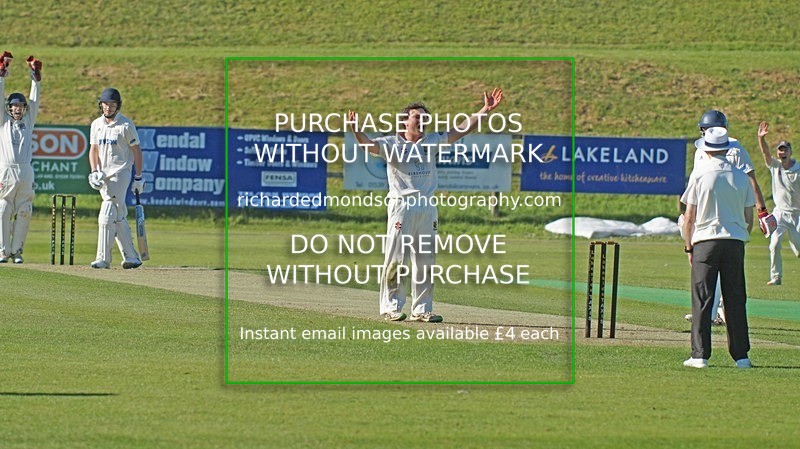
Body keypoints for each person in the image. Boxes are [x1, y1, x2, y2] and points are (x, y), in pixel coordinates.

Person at [348, 88, 503, 322]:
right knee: (396, 258)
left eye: (425, 118)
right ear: (404, 121)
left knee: (425, 261)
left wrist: (485, 110)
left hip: (427, 207)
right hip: (402, 206)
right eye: (417, 117)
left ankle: (421, 309)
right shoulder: (391, 143)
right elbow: (368, 145)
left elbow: (461, 130)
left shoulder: (431, 141)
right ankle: (392, 306)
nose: (422, 121)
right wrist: (355, 129)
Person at [681, 126, 754, 369]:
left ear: (707, 150)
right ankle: (741, 357)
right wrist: (740, 237)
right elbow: (748, 217)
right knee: (735, 299)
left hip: (706, 241)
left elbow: (689, 216)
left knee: (703, 298)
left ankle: (700, 356)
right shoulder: (741, 176)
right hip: (734, 242)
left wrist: (688, 247)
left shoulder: (700, 175)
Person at [87, 87, 145, 269]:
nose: (109, 108)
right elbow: (93, 150)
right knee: (118, 215)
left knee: (107, 210)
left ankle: (103, 259)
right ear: (101, 105)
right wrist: (94, 171)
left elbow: (136, 151)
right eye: (106, 104)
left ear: (117, 106)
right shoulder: (96, 124)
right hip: (103, 176)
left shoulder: (125, 125)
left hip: (121, 173)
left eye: (112, 105)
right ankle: (132, 257)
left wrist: (138, 177)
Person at [0, 52, 41, 264]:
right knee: (3, 209)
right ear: (9, 108)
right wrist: (1, 76)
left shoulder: (29, 121)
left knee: (24, 210)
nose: (18, 109)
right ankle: (2, 251)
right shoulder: (2, 121)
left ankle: (17, 251)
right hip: (6, 171)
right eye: (14, 106)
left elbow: (35, 99)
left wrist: (35, 77)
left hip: (25, 171)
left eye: (21, 106)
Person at [757, 121, 800, 286]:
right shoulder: (774, 166)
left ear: (790, 152)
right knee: (774, 245)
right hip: (780, 213)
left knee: (798, 251)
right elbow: (765, 153)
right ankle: (776, 277)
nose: (782, 152)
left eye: (785, 149)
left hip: (796, 214)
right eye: (780, 150)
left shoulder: (798, 169)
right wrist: (761, 139)